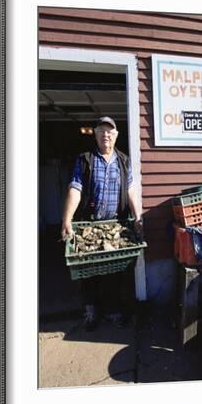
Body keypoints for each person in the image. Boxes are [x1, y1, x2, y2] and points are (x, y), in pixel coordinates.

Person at [61, 117, 143, 331]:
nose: (106, 135)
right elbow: (75, 188)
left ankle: (113, 311)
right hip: (90, 224)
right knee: (88, 272)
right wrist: (67, 219)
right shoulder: (85, 159)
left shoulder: (124, 161)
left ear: (116, 136)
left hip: (115, 225)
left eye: (110, 132)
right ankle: (91, 312)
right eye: (101, 131)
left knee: (115, 273)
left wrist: (137, 217)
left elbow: (131, 191)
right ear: (95, 135)